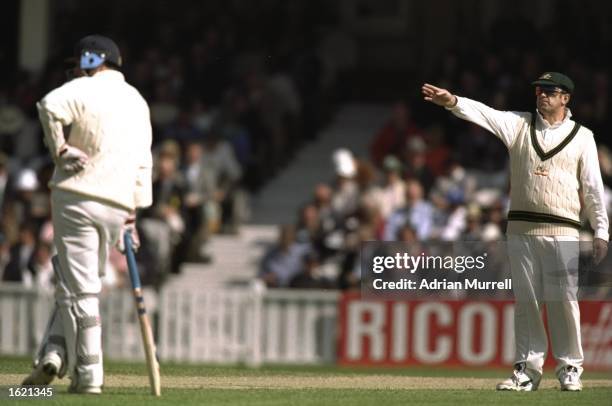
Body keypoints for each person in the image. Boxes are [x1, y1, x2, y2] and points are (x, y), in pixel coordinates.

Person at [422, 72, 609, 392]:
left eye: (550, 91)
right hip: (521, 229)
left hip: (563, 229)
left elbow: (592, 188)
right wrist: (453, 102)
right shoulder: (519, 124)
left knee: (563, 299)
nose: (542, 96)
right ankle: (526, 370)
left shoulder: (583, 136)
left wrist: (602, 230)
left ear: (566, 98)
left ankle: (570, 368)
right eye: (539, 90)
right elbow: (487, 114)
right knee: (527, 301)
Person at [22, 35, 153, 394]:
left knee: (80, 289)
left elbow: (48, 105)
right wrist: (132, 216)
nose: (76, 68)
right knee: (76, 282)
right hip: (118, 204)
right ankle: (52, 355)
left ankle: (89, 376)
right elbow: (144, 162)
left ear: (94, 60)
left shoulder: (83, 87)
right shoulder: (137, 101)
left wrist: (60, 148)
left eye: (80, 61)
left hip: (79, 196)